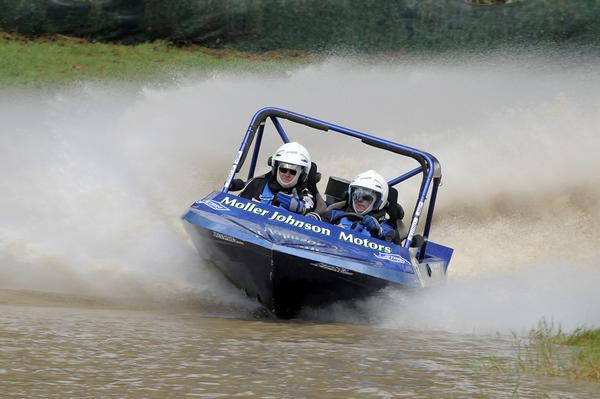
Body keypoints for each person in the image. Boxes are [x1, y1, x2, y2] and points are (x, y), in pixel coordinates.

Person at [239, 142, 320, 215]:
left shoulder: (306, 196)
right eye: (283, 170)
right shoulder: (257, 184)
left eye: (292, 172)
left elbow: (312, 218)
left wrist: (302, 210)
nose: (287, 174)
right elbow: (236, 209)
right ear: (276, 168)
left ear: (301, 174)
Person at [322, 170, 399, 242]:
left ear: (378, 202)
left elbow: (393, 252)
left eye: (366, 197)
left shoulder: (388, 231)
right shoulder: (333, 215)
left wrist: (378, 234)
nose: (359, 199)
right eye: (356, 195)